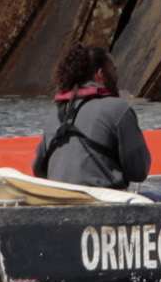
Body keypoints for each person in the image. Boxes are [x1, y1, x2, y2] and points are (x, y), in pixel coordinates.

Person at [35, 43, 152, 190]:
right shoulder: (118, 109)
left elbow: (38, 171)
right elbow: (138, 171)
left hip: (57, 198)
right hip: (101, 203)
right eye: (114, 70)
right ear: (100, 75)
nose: (116, 76)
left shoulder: (54, 114)